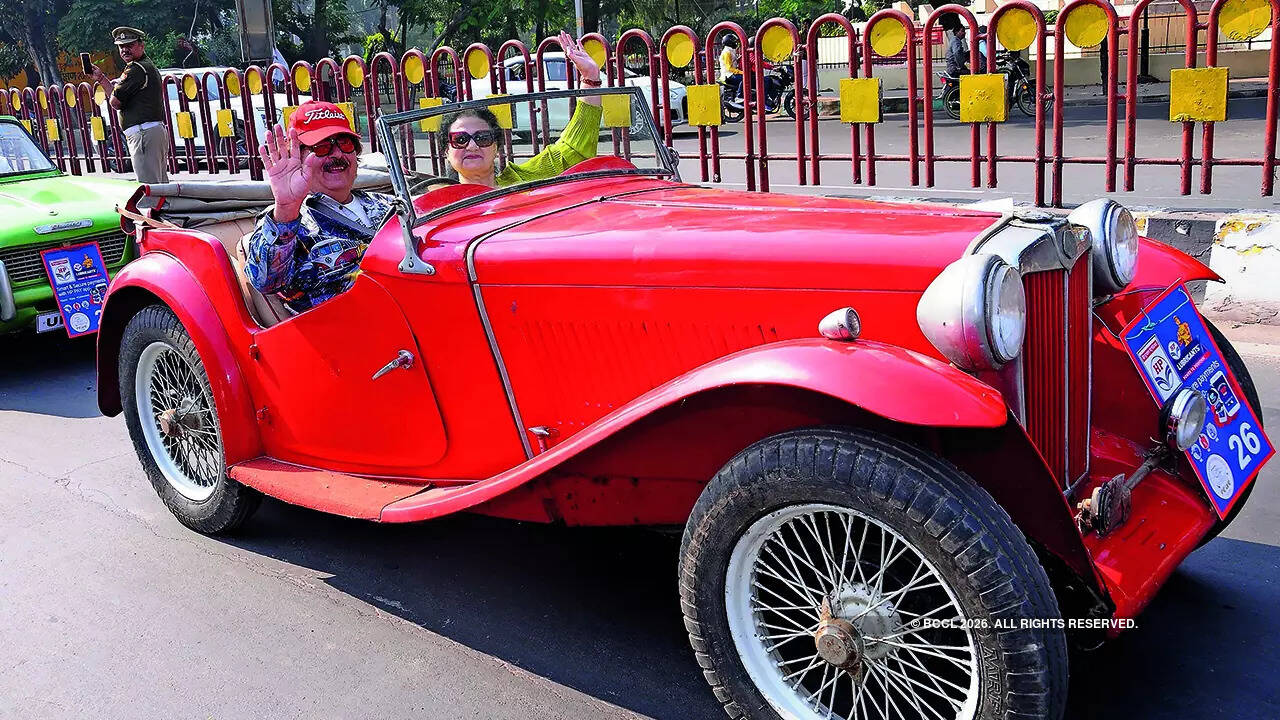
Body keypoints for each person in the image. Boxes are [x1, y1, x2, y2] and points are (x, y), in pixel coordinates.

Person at [245, 100, 394, 312]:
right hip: (340, 332)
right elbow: (266, 282)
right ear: (297, 157)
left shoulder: (387, 203)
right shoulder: (287, 221)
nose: (336, 155)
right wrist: (287, 207)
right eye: (321, 147)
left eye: (345, 143)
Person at [441, 31, 602, 188]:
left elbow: (572, 150)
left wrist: (590, 78)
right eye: (460, 139)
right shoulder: (438, 205)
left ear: (496, 147)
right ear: (446, 151)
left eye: (482, 138)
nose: (472, 146)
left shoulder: (522, 180)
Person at [91, 27, 169, 183]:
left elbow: (115, 102)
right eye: (121, 46)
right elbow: (119, 96)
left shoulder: (135, 69)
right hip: (150, 132)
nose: (125, 50)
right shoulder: (144, 65)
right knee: (159, 187)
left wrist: (111, 86)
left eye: (129, 45)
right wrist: (101, 79)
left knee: (149, 189)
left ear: (141, 45)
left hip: (143, 134)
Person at [719, 36, 743, 101]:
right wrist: (742, 72)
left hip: (731, 74)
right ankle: (739, 97)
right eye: (734, 42)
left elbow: (732, 62)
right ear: (730, 43)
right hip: (728, 75)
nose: (736, 43)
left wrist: (738, 59)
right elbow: (729, 68)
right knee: (745, 79)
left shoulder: (730, 50)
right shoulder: (727, 52)